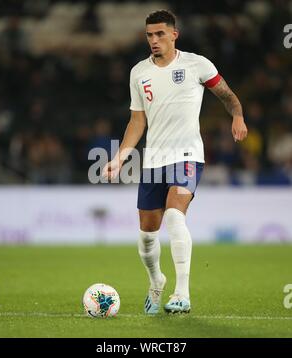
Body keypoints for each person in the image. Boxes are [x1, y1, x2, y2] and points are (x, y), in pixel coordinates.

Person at [102, 10, 247, 314]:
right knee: (146, 236)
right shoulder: (138, 72)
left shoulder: (197, 64)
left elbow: (227, 95)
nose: (153, 40)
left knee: (174, 216)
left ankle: (182, 293)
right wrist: (119, 157)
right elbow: (136, 121)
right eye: (149, 35)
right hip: (154, 161)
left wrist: (237, 115)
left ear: (173, 34)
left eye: (159, 34)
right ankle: (157, 281)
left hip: (188, 156)